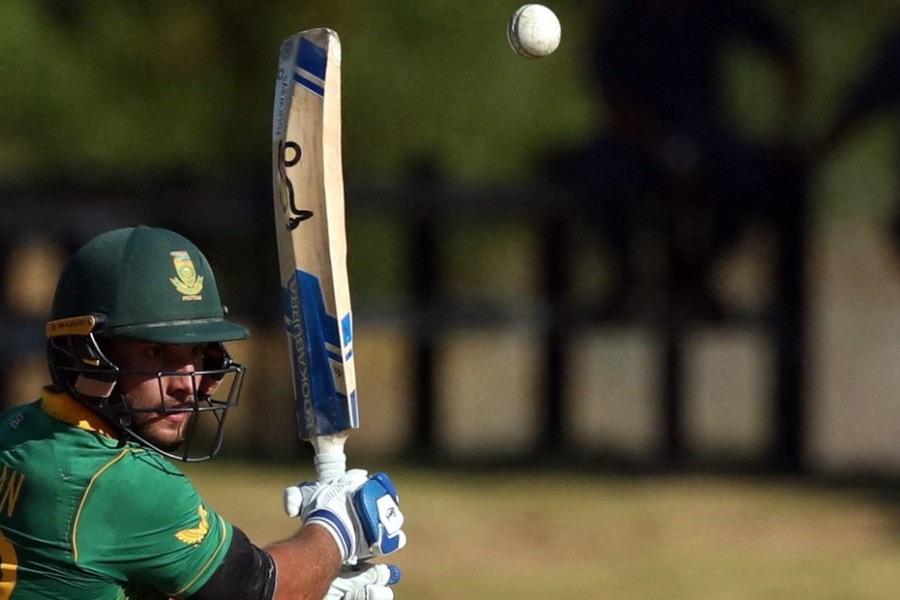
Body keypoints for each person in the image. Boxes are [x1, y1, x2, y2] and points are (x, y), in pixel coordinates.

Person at [0, 226, 406, 599]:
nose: (187, 384)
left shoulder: (14, 431)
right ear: (88, 354)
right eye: (156, 353)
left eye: (196, 353)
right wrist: (337, 529)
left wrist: (318, 581)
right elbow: (262, 590)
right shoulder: (120, 482)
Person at [546, 0, 806, 319]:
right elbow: (608, 91)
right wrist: (666, 148)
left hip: (709, 141)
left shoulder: (715, 9)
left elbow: (787, 52)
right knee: (603, 182)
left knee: (752, 179)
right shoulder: (624, 14)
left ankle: (696, 274)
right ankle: (627, 275)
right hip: (633, 145)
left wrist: (785, 129)